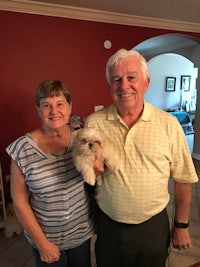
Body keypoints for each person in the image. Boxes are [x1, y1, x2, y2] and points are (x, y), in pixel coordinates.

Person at [85, 48, 198, 267]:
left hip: (152, 227)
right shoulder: (94, 123)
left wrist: (181, 226)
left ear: (146, 83)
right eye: (116, 79)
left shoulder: (169, 125)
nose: (124, 86)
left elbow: (183, 179)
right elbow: (86, 176)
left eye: (131, 78)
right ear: (110, 86)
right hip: (108, 224)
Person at [6, 80, 94, 267]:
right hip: (48, 240)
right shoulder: (22, 149)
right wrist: (42, 243)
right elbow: (20, 202)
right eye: (47, 106)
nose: (54, 112)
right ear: (38, 110)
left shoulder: (82, 138)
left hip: (81, 236)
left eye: (60, 104)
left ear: (70, 107)